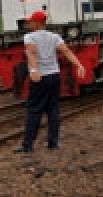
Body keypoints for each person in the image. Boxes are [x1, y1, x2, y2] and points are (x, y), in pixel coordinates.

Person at [15, 10, 86, 153]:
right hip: (55, 76)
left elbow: (31, 53)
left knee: (34, 111)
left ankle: (27, 145)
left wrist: (34, 70)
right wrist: (79, 65)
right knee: (53, 110)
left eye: (31, 21)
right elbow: (66, 51)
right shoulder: (54, 36)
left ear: (37, 23)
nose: (29, 23)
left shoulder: (29, 37)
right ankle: (53, 143)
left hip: (40, 77)